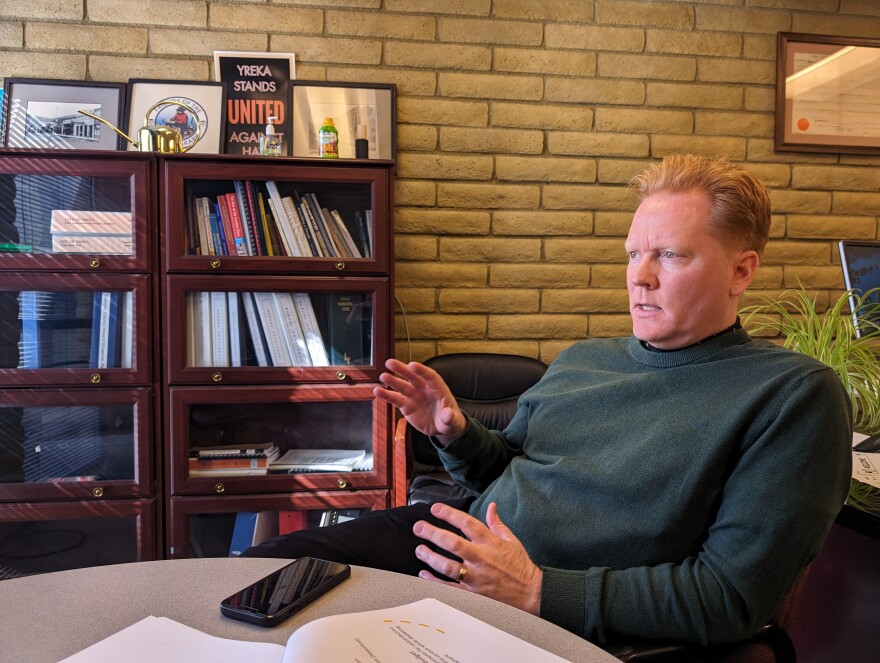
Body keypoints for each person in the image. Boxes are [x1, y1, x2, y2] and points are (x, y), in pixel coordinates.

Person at [243, 154, 852, 646]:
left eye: (669, 254)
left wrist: (536, 590)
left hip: (556, 611)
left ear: (740, 272)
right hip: (459, 541)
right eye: (634, 253)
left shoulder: (792, 397)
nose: (639, 276)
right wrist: (454, 434)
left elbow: (729, 597)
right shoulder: (585, 358)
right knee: (261, 575)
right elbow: (509, 469)